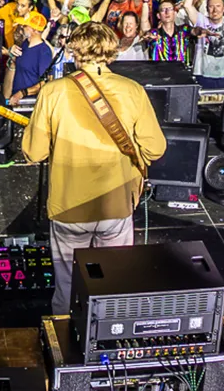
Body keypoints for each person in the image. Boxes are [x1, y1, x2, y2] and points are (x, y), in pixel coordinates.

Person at [20, 22, 167, 313]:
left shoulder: (53, 91)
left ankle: (64, 343)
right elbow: (156, 148)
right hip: (115, 204)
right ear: (111, 52)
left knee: (67, 285)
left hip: (69, 206)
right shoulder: (132, 90)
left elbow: (33, 153)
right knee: (113, 283)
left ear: (75, 51)